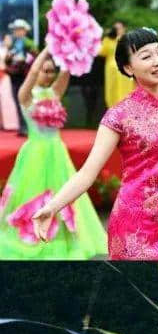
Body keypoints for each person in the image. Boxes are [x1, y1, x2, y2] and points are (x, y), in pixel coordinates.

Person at [32, 27, 158, 260]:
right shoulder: (119, 115)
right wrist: (52, 207)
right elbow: (87, 173)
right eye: (146, 56)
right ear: (128, 68)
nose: (157, 61)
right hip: (133, 225)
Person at [0, 47, 107, 259]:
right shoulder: (26, 95)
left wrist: (67, 48)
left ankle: (65, 238)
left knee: (65, 195)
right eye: (44, 70)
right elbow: (31, 75)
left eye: (51, 71)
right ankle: (33, 236)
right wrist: (47, 50)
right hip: (35, 155)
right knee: (32, 195)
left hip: (58, 153)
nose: (48, 74)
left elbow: (65, 73)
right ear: (36, 70)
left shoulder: (55, 92)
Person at [5, 19, 36, 136]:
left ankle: (29, 127)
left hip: (25, 77)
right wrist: (9, 58)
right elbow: (7, 61)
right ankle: (22, 127)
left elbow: (34, 58)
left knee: (27, 101)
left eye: (19, 29)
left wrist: (24, 61)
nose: (17, 32)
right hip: (14, 76)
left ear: (24, 30)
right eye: (16, 30)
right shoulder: (12, 44)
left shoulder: (29, 43)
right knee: (17, 100)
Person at [97, 21, 135, 108]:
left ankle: (127, 109)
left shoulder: (128, 40)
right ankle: (113, 110)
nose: (117, 30)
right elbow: (101, 52)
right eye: (115, 28)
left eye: (119, 28)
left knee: (126, 89)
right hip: (111, 70)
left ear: (124, 29)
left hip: (125, 68)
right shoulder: (108, 40)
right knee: (111, 89)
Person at [0, 34, 19, 130]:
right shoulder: (2, 50)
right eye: (6, 39)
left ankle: (11, 124)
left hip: (6, 76)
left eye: (10, 39)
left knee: (7, 99)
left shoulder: (14, 50)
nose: (8, 41)